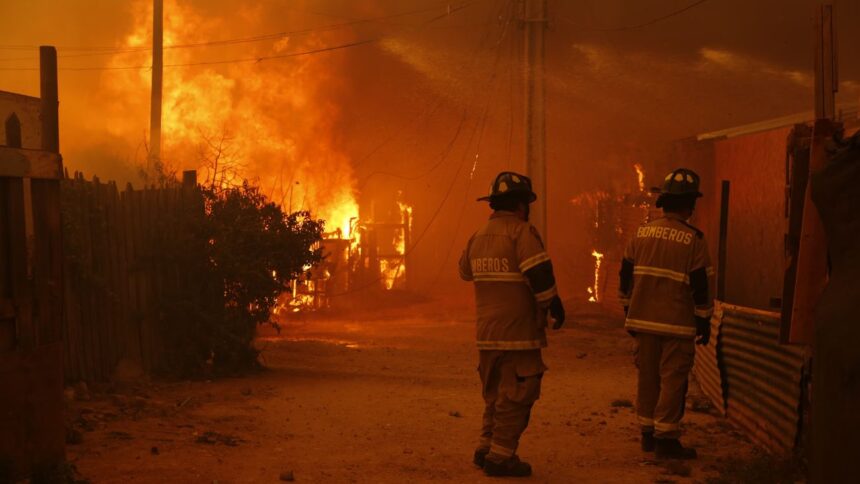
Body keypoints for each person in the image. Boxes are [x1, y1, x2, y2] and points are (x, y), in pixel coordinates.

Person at [458, 171, 566, 477]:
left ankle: (485, 448)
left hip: (487, 334)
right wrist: (554, 305)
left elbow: (465, 272)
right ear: (521, 205)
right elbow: (539, 274)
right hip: (518, 333)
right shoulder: (522, 232)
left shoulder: (478, 236)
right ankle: (501, 457)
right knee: (518, 394)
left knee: (495, 395)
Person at [618, 167, 714, 460]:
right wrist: (704, 319)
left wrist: (628, 311)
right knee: (673, 380)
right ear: (690, 204)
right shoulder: (694, 239)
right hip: (676, 324)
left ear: (664, 202)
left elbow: (625, 276)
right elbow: (701, 284)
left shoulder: (640, 233)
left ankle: (647, 434)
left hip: (642, 321)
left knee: (648, 378)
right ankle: (667, 439)